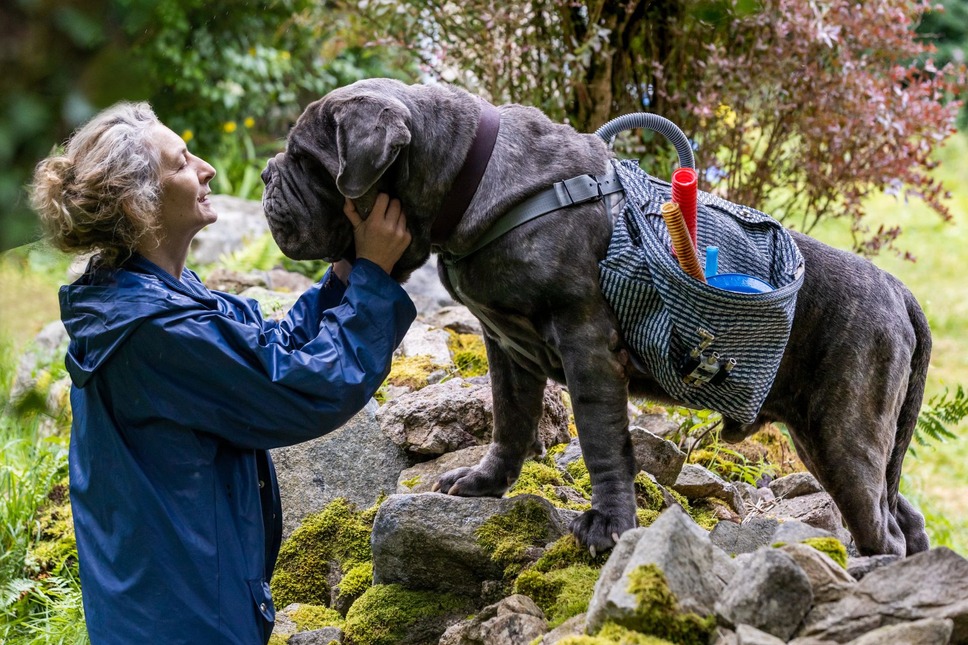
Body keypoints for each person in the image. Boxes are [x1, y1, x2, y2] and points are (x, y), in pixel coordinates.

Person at [29, 101, 416, 644]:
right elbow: (304, 387)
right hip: (187, 620)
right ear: (139, 204)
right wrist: (374, 279)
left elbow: (270, 348)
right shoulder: (153, 329)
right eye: (182, 162)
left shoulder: (146, 294)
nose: (206, 168)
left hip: (166, 602)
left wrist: (346, 275)